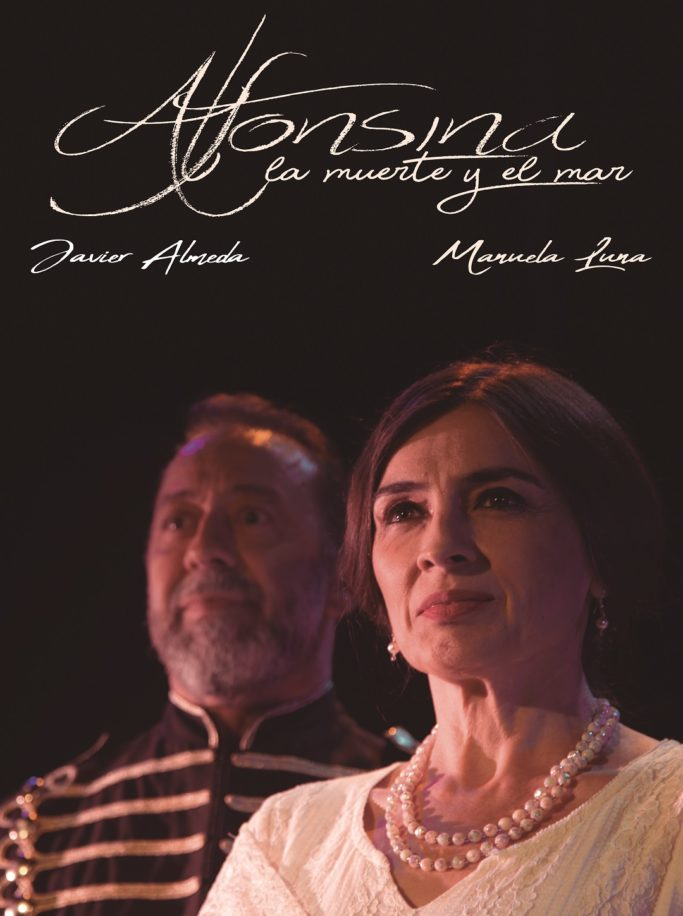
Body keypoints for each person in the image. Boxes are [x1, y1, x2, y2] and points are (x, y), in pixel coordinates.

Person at [199, 358, 683, 916]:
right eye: (404, 511)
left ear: (600, 551)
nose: (440, 546)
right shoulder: (287, 839)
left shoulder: (665, 815)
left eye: (498, 499)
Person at [1, 394, 412, 916]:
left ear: (341, 577)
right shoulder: (37, 834)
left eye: (252, 517)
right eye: (178, 521)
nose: (204, 549)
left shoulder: (418, 813)